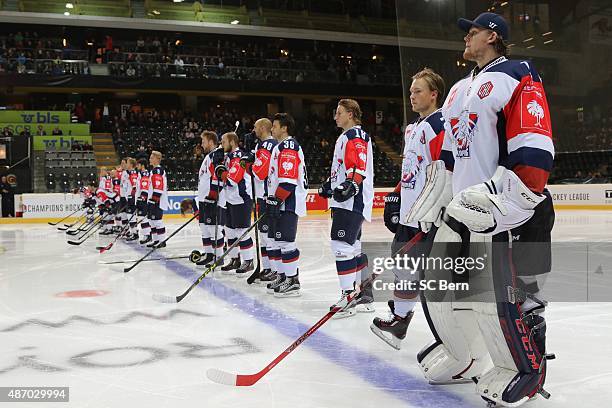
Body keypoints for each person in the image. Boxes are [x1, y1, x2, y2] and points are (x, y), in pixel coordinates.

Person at [407, 12, 555, 406]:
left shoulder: (518, 73)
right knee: (440, 288)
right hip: (461, 214)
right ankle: (463, 357)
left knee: (497, 297)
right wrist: (438, 195)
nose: (466, 38)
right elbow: (451, 156)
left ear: (492, 36)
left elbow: (533, 143)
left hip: (500, 211)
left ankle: (523, 371)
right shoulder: (457, 89)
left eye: (472, 32)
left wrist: (507, 198)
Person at [371, 68, 447, 350]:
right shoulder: (413, 128)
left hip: (426, 218)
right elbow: (410, 171)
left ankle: (449, 338)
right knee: (404, 267)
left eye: (418, 91)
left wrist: (435, 212)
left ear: (433, 94)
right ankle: (399, 320)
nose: (412, 96)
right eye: (411, 91)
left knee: (434, 277)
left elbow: (445, 172)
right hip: (410, 215)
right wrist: (395, 196)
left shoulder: (440, 125)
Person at [318, 99, 374, 318]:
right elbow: (346, 168)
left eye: (339, 113)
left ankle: (348, 296)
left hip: (351, 202)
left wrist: (351, 184)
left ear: (350, 114)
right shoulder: (349, 136)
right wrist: (330, 186)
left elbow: (357, 166)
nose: (335, 117)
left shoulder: (355, 135)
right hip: (348, 200)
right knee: (353, 248)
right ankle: (365, 296)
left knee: (341, 245)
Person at [264, 113, 308, 297]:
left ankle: (292, 281)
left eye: (274, 126)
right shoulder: (281, 146)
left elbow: (288, 181)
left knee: (286, 241)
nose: (272, 129)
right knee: (280, 241)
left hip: (288, 202)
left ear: (284, 128)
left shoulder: (288, 146)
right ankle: (284, 275)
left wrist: (277, 199)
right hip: (283, 201)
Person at [240, 118, 278, 284]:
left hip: (266, 195)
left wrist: (248, 165)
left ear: (263, 127)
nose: (253, 130)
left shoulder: (269, 145)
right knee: (264, 236)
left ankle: (275, 269)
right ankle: (268, 268)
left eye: (255, 127)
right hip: (261, 195)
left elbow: (259, 172)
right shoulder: (260, 146)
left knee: (269, 236)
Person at [214, 132, 255, 276]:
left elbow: (232, 179)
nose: (221, 144)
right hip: (229, 199)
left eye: (224, 141)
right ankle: (234, 259)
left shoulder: (238, 157)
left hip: (241, 199)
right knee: (230, 230)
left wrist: (220, 169)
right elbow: (220, 177)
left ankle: (248, 261)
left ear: (232, 141)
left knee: (241, 231)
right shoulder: (228, 157)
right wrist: (218, 165)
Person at [192, 130, 225, 266]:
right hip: (203, 200)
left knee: (213, 228)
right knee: (204, 227)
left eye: (203, 141)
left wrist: (213, 195)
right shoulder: (209, 156)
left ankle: (219, 257)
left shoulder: (216, 156)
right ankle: (209, 254)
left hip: (212, 199)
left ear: (211, 142)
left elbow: (218, 177)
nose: (202, 144)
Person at [147, 151, 169, 248]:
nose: (150, 159)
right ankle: (156, 240)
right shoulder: (154, 170)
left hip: (157, 200)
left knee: (157, 221)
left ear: (157, 159)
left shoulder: (158, 171)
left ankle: (162, 241)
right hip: (153, 199)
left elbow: (158, 186)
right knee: (152, 220)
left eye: (152, 157)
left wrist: (154, 198)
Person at [135, 159, 152, 245]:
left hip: (144, 199)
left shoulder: (144, 173)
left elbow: (144, 187)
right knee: (143, 217)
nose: (137, 166)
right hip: (143, 198)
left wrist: (142, 198)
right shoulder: (141, 174)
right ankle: (148, 234)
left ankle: (147, 235)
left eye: (138, 165)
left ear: (142, 165)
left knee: (143, 217)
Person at [124, 158, 140, 241]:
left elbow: (134, 187)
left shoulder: (133, 173)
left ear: (130, 164)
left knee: (131, 215)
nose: (126, 164)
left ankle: (135, 233)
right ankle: (133, 231)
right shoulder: (129, 173)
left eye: (127, 163)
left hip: (132, 198)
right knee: (130, 215)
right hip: (130, 197)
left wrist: (131, 197)